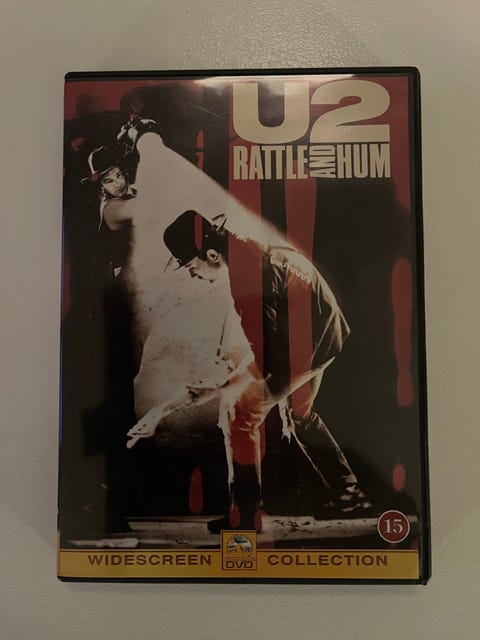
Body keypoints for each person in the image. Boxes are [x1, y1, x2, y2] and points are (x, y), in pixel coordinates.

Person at [161, 209, 372, 531]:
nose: (193, 275)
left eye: (191, 267)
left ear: (212, 255)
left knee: (239, 412)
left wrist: (218, 387)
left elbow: (268, 362)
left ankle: (245, 516)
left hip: (306, 345)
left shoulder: (246, 277)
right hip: (329, 332)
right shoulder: (251, 244)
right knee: (299, 414)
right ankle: (351, 496)